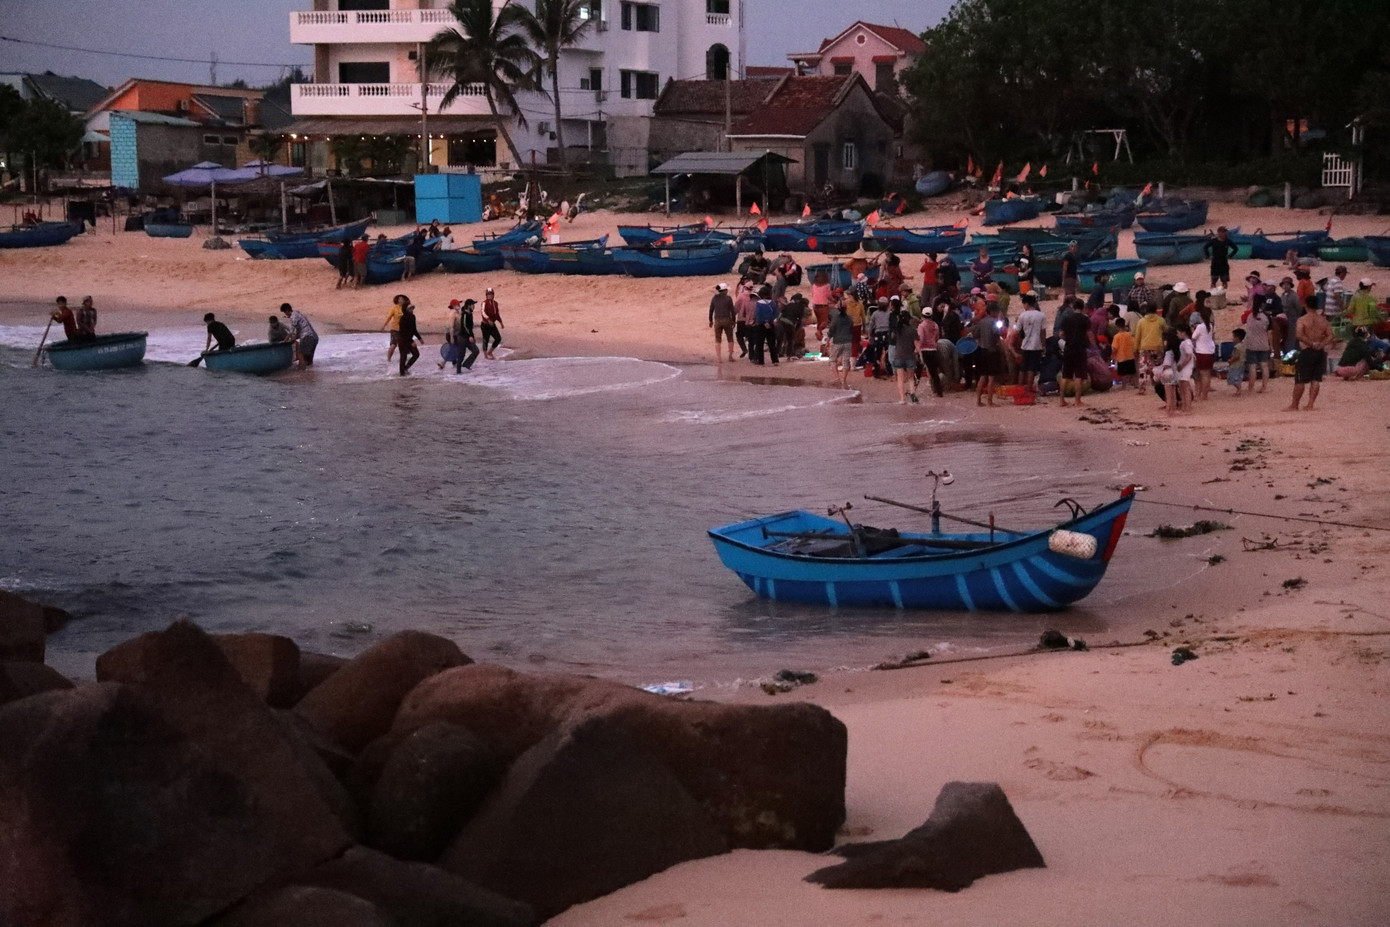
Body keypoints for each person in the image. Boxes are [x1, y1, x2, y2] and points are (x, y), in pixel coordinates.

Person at [1287, 310, 1333, 411]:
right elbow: (1330, 336)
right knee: (1316, 379)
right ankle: (1310, 404)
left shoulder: (1302, 320)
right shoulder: (1324, 321)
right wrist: (1321, 344)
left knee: (1300, 379)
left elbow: (1299, 335)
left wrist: (1311, 343)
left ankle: (1295, 405)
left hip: (1307, 350)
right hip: (1320, 351)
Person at [1058, 300, 1092, 408]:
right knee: (1079, 375)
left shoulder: (1067, 318)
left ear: (1073, 307)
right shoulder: (1085, 319)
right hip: (1080, 349)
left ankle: (1062, 400)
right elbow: (1089, 334)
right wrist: (1092, 346)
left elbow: (1061, 334)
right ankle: (1077, 401)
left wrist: (1069, 338)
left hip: (1068, 348)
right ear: (1082, 308)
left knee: (1065, 375)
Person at [971, 302, 1004, 406]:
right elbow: (997, 335)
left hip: (982, 350)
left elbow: (975, 334)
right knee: (991, 378)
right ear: (994, 312)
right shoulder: (994, 322)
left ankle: (978, 401)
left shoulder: (981, 322)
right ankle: (990, 401)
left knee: (982, 376)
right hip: (992, 351)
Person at [1013, 293, 1046, 393]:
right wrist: (1043, 344)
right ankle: (1028, 389)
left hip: (1025, 345)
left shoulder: (1022, 316)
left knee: (1023, 368)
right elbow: (1042, 332)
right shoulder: (1041, 315)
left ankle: (1020, 388)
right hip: (1036, 345)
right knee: (1032, 368)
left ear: (1026, 304)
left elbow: (1018, 331)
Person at [1133, 303, 1167, 393]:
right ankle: (1158, 385)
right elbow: (1166, 331)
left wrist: (1135, 349)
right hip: (1158, 347)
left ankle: (1142, 388)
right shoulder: (1161, 320)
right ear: (1156, 310)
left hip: (1144, 348)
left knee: (1143, 368)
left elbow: (1137, 337)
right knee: (1157, 367)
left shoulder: (1141, 321)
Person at [1243, 297, 1274, 393]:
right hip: (1263, 343)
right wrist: (1271, 345)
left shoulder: (1249, 316)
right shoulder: (1266, 317)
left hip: (1251, 344)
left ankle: (1250, 388)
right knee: (1264, 366)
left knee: (1252, 367)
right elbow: (1270, 333)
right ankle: (1264, 387)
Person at [890, 306, 919, 403]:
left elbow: (892, 341)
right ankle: (913, 393)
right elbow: (917, 346)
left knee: (900, 379)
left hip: (898, 355)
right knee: (911, 377)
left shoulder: (897, 330)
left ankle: (902, 399)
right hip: (910, 356)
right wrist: (917, 353)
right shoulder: (912, 330)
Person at [1190, 303, 1217, 401]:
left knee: (1201, 375)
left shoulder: (1200, 327)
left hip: (1201, 352)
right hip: (1210, 351)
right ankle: (1205, 395)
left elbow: (1193, 338)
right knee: (1207, 374)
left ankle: (1201, 394)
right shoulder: (1210, 325)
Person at [280, 303, 318, 369]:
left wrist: (284, 341)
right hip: (314, 337)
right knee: (308, 359)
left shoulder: (293, 316)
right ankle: (310, 374)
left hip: (307, 336)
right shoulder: (298, 314)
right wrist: (294, 338)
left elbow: (292, 331)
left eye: (285, 312)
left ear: (287, 310)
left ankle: (301, 373)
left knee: (300, 354)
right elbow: (299, 330)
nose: (286, 315)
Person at [826, 298, 854, 389]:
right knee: (846, 361)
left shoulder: (835, 319)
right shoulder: (850, 319)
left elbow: (831, 330)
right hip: (848, 342)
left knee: (833, 360)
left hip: (837, 342)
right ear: (846, 309)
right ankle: (844, 380)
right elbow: (851, 329)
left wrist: (828, 339)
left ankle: (837, 377)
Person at [916, 308, 943, 398]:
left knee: (918, 372)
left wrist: (917, 349)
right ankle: (939, 392)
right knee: (934, 373)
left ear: (923, 315)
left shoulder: (921, 326)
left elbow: (921, 339)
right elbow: (937, 337)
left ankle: (913, 390)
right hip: (933, 350)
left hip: (924, 350)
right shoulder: (935, 325)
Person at [709, 282, 736, 364]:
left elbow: (711, 310)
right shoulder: (728, 298)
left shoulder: (714, 298)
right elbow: (732, 311)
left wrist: (710, 321)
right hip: (727, 319)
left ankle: (719, 358)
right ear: (724, 291)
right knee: (730, 338)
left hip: (717, 320)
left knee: (718, 339)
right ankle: (730, 356)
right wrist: (733, 321)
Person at [451, 299, 481, 372]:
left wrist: (472, 336)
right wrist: (470, 336)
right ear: (468, 306)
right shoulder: (465, 314)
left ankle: (466, 365)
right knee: (461, 355)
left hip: (468, 337)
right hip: (462, 338)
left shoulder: (470, 314)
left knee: (476, 351)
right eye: (472, 305)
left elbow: (470, 328)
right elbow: (464, 326)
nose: (474, 306)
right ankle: (458, 371)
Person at [396, 302, 423, 375]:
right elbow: (404, 332)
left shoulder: (413, 317)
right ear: (406, 309)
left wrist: (419, 338)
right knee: (403, 355)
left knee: (416, 354)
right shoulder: (403, 319)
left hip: (408, 338)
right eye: (410, 308)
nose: (412, 310)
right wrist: (411, 341)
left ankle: (406, 368)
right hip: (402, 339)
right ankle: (402, 374)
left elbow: (414, 329)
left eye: (412, 308)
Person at [1111, 317, 1137, 389]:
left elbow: (1114, 348)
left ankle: (1124, 386)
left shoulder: (1116, 336)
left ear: (1117, 326)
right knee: (1132, 372)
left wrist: (1113, 356)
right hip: (1130, 355)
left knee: (1123, 373)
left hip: (1121, 357)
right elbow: (1134, 344)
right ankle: (1135, 384)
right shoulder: (1129, 334)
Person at [733, 280, 757, 358]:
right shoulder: (755, 297)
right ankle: (752, 355)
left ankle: (744, 349)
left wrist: (732, 317)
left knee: (739, 335)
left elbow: (736, 308)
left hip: (741, 320)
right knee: (751, 338)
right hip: (751, 320)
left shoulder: (740, 296)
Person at [480, 287, 504, 359]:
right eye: (488, 294)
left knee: (498, 338)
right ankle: (485, 356)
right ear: (486, 295)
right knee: (485, 339)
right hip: (485, 325)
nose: (490, 296)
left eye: (491, 294)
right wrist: (488, 320)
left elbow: (497, 314)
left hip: (492, 325)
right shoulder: (484, 303)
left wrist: (501, 322)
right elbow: (483, 312)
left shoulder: (495, 303)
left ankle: (490, 352)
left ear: (493, 295)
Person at [381, 294, 406, 362]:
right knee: (393, 345)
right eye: (400, 299)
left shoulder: (405, 308)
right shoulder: (394, 308)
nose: (402, 300)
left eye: (403, 299)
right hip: (395, 329)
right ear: (397, 300)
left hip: (403, 330)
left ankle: (403, 359)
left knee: (404, 346)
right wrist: (384, 326)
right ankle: (388, 359)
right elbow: (389, 317)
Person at [809, 270, 832, 343]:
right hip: (823, 305)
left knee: (819, 321)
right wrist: (834, 300)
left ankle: (819, 333)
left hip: (815, 305)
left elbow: (813, 295)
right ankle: (819, 332)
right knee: (825, 321)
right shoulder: (827, 286)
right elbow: (829, 296)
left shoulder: (814, 286)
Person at [1226, 328, 1247, 392]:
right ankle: (1239, 388)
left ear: (1237, 338)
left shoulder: (1237, 347)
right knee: (1238, 376)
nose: (1232, 339)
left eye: (1233, 337)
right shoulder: (1243, 345)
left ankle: (1239, 389)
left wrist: (1230, 360)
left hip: (1235, 365)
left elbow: (1236, 356)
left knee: (1233, 377)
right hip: (1241, 364)